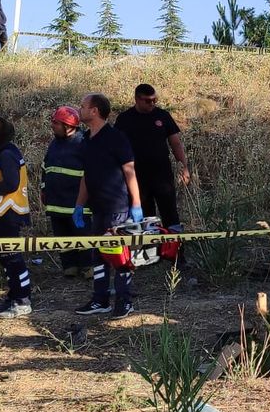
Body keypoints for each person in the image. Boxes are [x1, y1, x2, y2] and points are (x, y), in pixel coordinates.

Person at [73, 93, 144, 319]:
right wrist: (79, 205)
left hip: (117, 208)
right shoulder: (86, 140)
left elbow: (129, 171)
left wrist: (136, 204)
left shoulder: (116, 138)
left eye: (83, 106)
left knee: (118, 256)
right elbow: (86, 176)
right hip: (97, 209)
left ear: (94, 111)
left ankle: (125, 301)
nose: (79, 109)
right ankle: (100, 300)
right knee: (98, 255)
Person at [114, 83, 191, 231]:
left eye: (155, 100)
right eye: (148, 101)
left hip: (162, 175)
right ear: (137, 99)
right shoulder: (124, 119)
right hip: (137, 176)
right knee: (145, 218)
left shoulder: (163, 115)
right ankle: (150, 244)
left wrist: (184, 166)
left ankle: (174, 245)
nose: (152, 103)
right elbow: (117, 147)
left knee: (170, 214)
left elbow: (175, 143)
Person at [0, 115, 32, 318]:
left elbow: (11, 184)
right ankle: (14, 296)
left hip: (9, 213)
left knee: (12, 258)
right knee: (5, 257)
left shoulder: (7, 154)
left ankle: (22, 300)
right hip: (1, 213)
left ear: (0, 133)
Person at [41, 105, 91, 276]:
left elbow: (91, 172)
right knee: (62, 237)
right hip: (56, 203)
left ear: (68, 126)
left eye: (56, 123)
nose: (52, 125)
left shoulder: (83, 143)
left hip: (77, 203)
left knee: (83, 236)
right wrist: (43, 188)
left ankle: (88, 266)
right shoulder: (54, 144)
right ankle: (70, 266)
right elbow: (45, 167)